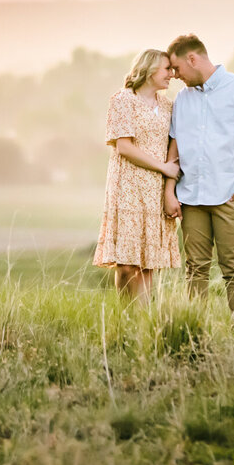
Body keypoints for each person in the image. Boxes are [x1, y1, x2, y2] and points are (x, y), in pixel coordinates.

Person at [163, 34, 234, 324]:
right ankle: (193, 335)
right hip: (192, 198)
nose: (174, 76)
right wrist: (169, 190)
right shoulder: (182, 99)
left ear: (192, 59)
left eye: (176, 68)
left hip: (229, 196)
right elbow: (175, 145)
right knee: (195, 270)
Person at [93, 49, 182, 304]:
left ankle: (142, 322)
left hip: (155, 189)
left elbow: (174, 144)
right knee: (127, 263)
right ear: (150, 68)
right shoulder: (123, 100)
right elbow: (124, 146)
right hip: (128, 185)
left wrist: (169, 186)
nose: (172, 75)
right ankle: (125, 316)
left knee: (147, 263)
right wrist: (163, 167)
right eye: (167, 69)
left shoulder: (168, 106)